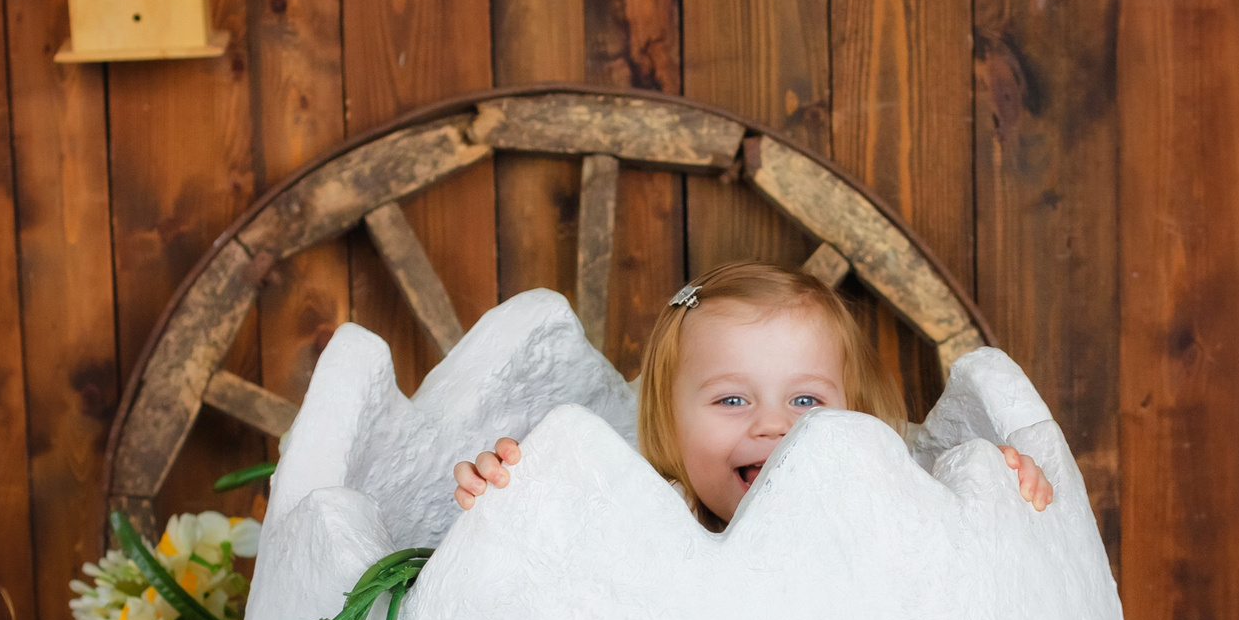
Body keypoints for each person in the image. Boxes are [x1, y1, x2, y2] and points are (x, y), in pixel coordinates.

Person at [451, 261, 1055, 528]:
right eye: (732, 400)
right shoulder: (653, 513)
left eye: (807, 401)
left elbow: (960, 517)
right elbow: (565, 539)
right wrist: (510, 490)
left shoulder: (890, 499)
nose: (774, 426)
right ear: (669, 424)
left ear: (858, 414)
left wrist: (1008, 482)